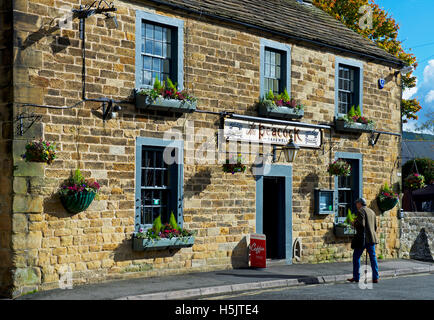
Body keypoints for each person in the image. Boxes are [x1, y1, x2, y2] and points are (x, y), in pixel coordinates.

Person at [347, 198, 379, 284]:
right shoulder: (372, 212)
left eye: (357, 203)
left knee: (356, 257)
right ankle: (375, 277)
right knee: (373, 258)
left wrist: (354, 223)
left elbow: (361, 224)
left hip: (362, 239)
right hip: (371, 238)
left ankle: (356, 277)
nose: (356, 205)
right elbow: (375, 226)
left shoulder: (361, 211)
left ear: (360, 204)